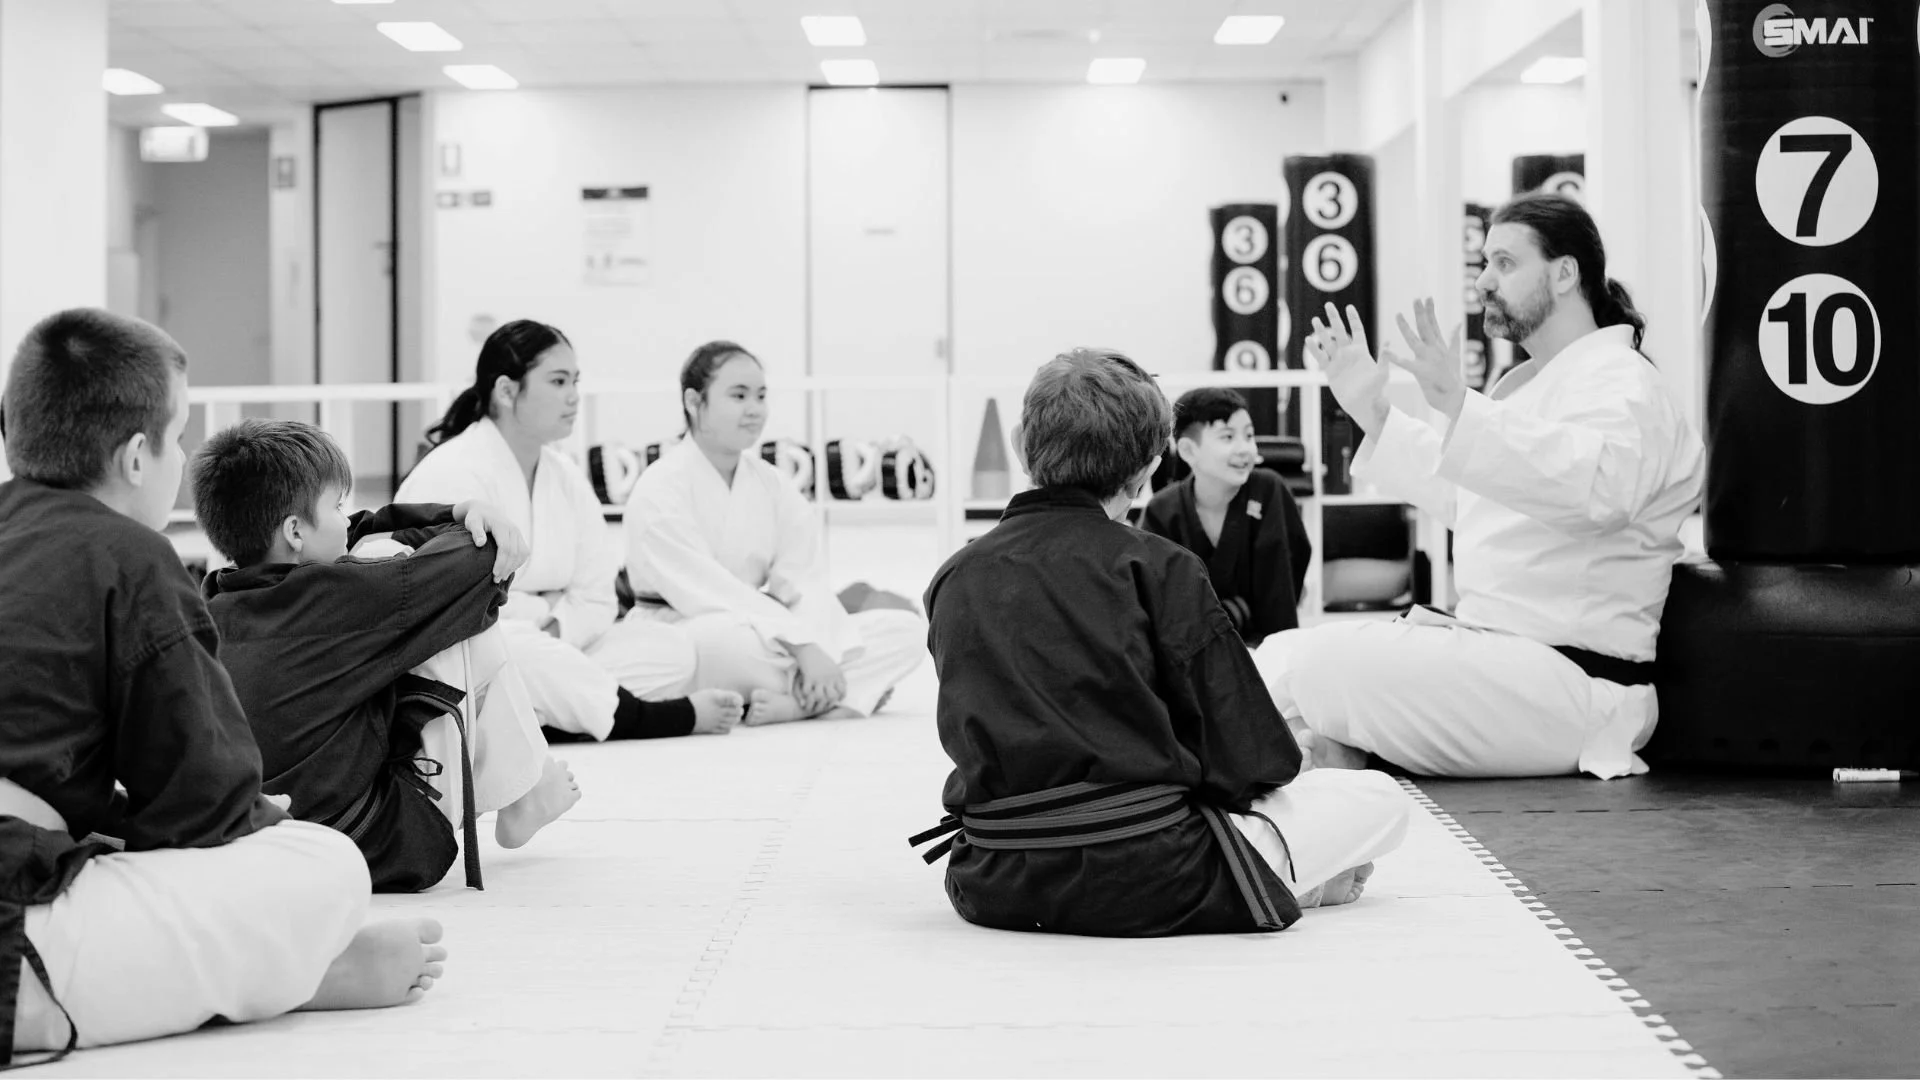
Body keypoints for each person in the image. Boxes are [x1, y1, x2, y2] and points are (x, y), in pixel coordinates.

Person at [0, 309, 442, 1064]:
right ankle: (293, 976)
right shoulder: (129, 556)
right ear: (136, 458)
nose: (180, 458)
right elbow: (202, 808)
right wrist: (261, 816)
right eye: (177, 438)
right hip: (20, 948)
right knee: (323, 862)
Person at [912, 347, 1409, 937]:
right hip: (1154, 875)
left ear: (1021, 445)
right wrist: (1290, 762)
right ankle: (1291, 875)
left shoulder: (953, 577)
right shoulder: (1160, 567)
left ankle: (1296, 873)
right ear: (1150, 468)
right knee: (1379, 798)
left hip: (996, 878)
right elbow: (1251, 762)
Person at [1261, 192, 1706, 779]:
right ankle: (1329, 750)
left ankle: (1308, 747)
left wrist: (1458, 403)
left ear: (1565, 273)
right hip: (1504, 665)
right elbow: (1476, 498)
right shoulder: (1531, 387)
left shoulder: (1625, 383)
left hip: (1575, 681)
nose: (1484, 282)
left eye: (1505, 263)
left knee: (1323, 662)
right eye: (1485, 264)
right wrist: (1373, 411)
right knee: (1280, 653)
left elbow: (1599, 494)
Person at [194, 419, 582, 893]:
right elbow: (482, 564)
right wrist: (472, 517)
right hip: (383, 846)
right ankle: (527, 789)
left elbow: (356, 531)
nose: (347, 518)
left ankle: (529, 786)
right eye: (337, 506)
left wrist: (457, 510)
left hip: (274, 843)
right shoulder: (334, 597)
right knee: (452, 610)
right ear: (294, 531)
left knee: (392, 562)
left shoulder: (216, 601)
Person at [397, 320, 743, 741]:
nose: (574, 396)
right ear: (506, 391)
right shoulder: (453, 470)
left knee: (672, 652)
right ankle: (644, 716)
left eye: (575, 382)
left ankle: (541, 720)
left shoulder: (565, 475)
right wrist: (544, 612)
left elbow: (597, 595)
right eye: (559, 381)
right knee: (515, 649)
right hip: (476, 651)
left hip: (558, 646)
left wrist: (555, 628)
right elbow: (453, 606)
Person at [623, 341, 926, 725]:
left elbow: (804, 579)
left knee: (905, 631)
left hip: (770, 632)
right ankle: (834, 695)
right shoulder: (660, 487)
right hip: (693, 629)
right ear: (694, 401)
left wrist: (816, 643)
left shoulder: (771, 483)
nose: (754, 409)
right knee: (724, 641)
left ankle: (799, 701)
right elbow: (709, 592)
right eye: (739, 396)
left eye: (761, 396)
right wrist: (802, 646)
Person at [1140, 387, 1311, 648]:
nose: (1244, 449)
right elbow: (1157, 596)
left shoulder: (1269, 489)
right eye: (1228, 437)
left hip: (1268, 648)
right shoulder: (1162, 509)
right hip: (1191, 653)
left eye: (1249, 435)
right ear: (1188, 451)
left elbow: (1290, 569)